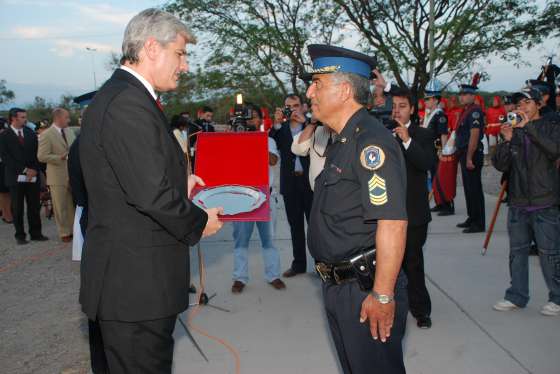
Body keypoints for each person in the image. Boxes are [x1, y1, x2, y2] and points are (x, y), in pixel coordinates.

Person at [78, 9, 223, 373]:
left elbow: (131, 178)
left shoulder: (127, 97)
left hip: (133, 283)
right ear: (152, 48)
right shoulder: (127, 103)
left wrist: (179, 182)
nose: (185, 66)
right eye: (181, 54)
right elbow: (150, 195)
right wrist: (199, 221)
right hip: (134, 289)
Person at [305, 44, 408, 374]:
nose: (310, 92)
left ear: (344, 90)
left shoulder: (370, 143)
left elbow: (392, 223)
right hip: (340, 286)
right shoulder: (343, 139)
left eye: (317, 84)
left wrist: (381, 295)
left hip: (364, 289)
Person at [492, 87, 560, 316]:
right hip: (519, 200)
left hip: (545, 200)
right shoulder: (516, 131)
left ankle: (557, 297)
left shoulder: (551, 126)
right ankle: (517, 295)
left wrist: (528, 128)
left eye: (527, 103)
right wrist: (506, 140)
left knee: (549, 252)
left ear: (539, 104)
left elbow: (554, 151)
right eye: (519, 103)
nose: (522, 107)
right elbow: (501, 164)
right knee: (517, 251)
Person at [391, 86, 436, 329]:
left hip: (414, 213)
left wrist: (406, 140)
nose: (397, 111)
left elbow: (426, 163)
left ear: (412, 109)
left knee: (413, 262)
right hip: (386, 212)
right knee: (387, 264)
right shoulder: (381, 134)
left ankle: (421, 309)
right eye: (394, 106)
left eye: (403, 106)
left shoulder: (422, 135)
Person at [231, 104, 285, 293]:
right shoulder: (233, 140)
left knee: (269, 240)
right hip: (241, 198)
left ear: (260, 120)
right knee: (240, 241)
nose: (250, 120)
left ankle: (274, 275)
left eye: (254, 117)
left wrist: (254, 142)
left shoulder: (268, 140)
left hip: (265, 197)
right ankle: (240, 277)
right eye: (247, 117)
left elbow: (273, 160)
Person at [271, 94, 313, 277]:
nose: (293, 109)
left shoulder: (313, 125)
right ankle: (299, 265)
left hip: (309, 182)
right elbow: (271, 142)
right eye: (289, 106)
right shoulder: (281, 129)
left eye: (296, 105)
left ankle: (322, 266)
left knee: (316, 227)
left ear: (303, 107)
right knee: (295, 226)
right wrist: (277, 123)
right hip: (290, 184)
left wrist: (306, 122)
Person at [0, 108, 48, 245]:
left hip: (32, 176)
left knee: (33, 206)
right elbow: (6, 158)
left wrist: (33, 170)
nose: (25, 119)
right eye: (22, 117)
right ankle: (20, 235)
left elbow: (36, 153)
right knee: (18, 207)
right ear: (13, 118)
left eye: (25, 117)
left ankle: (36, 233)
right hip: (15, 178)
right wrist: (25, 170)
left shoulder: (30, 133)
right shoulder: (4, 136)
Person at [37, 108, 76, 242]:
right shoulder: (47, 134)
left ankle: (73, 230)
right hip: (57, 176)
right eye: (67, 118)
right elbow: (41, 156)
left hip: (72, 174)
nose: (69, 120)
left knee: (71, 205)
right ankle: (64, 232)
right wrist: (60, 157)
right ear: (58, 118)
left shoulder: (69, 131)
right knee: (60, 206)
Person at [455, 78, 486, 233]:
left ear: (473, 95)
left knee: (474, 189)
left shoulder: (474, 111)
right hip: (465, 152)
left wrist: (469, 157)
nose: (461, 97)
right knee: (468, 188)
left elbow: (474, 135)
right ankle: (472, 217)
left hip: (471, 153)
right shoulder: (466, 110)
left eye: (465, 94)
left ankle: (478, 222)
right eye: (460, 94)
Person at [422, 79, 452, 215]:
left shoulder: (440, 115)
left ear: (435, 100)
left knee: (441, 178)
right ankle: (440, 203)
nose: (426, 101)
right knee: (435, 178)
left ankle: (447, 205)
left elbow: (443, 135)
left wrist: (442, 152)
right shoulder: (429, 115)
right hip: (429, 151)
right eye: (425, 99)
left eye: (428, 99)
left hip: (437, 151)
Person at [291, 112, 334, 190]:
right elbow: (298, 149)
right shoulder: (316, 130)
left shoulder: (349, 131)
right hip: (318, 193)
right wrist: (312, 123)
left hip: (342, 194)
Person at [0, 117, 13, 224]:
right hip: (1, 165)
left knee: (7, 192)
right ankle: (6, 214)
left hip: (7, 165)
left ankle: (7, 213)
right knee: (4, 193)